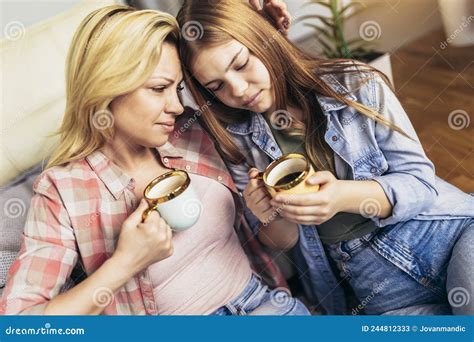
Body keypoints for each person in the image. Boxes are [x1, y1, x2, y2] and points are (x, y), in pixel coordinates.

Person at [0, 5, 309, 316]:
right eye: (159, 88)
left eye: (178, 89)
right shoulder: (63, 191)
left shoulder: (193, 130)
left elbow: (265, 94)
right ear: (105, 87)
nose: (176, 106)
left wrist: (267, 30)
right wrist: (125, 263)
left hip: (269, 306)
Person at [177, 0, 474, 315]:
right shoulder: (239, 143)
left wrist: (341, 196)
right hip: (377, 290)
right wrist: (269, 214)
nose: (237, 89)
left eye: (240, 64)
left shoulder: (355, 84)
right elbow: (280, 241)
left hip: (446, 234)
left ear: (266, 37)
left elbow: (421, 186)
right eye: (217, 86)